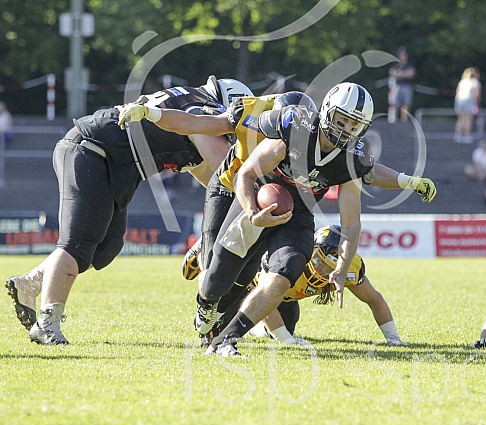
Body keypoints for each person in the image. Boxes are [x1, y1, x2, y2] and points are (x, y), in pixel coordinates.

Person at [169, 82, 427, 358]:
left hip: (298, 212)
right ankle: (205, 302)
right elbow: (246, 175)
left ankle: (225, 340)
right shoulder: (295, 127)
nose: (346, 130)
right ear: (327, 112)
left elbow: (351, 223)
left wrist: (340, 268)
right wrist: (253, 213)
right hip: (259, 196)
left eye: (354, 126)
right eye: (342, 121)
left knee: (285, 272)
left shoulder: (353, 159)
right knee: (220, 280)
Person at [5, 76, 251, 345]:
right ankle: (46, 323)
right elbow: (228, 175)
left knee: (106, 246)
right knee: (78, 244)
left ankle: (29, 283)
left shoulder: (190, 105)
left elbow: (216, 184)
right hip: (91, 150)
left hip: (109, 160)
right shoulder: (200, 110)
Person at [197, 225, 409, 348]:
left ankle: (258, 329)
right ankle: (202, 254)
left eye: (329, 268)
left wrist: (393, 338)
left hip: (286, 298)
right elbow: (262, 297)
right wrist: (288, 342)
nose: (321, 271)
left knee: (284, 328)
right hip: (249, 289)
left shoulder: (350, 268)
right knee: (215, 333)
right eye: (318, 261)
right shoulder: (294, 259)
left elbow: (374, 299)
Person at [454, 67, 481, 143]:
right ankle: (467, 136)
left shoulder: (462, 81)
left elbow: (457, 91)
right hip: (469, 101)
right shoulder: (475, 82)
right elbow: (476, 94)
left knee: (460, 119)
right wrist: (476, 104)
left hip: (459, 100)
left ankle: (457, 135)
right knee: (468, 119)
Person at [389, 47, 416, 121]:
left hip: (407, 86)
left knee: (406, 104)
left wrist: (400, 74)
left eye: (403, 54)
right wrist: (404, 74)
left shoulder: (409, 64)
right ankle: (395, 120)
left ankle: (404, 120)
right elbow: (392, 72)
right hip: (398, 86)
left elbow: (411, 73)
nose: (402, 56)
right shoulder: (396, 64)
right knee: (396, 104)